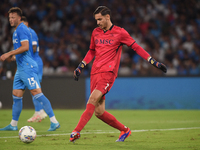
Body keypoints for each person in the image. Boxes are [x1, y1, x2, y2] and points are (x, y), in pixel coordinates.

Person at [70, 6, 167, 142]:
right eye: (96, 20)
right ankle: (125, 130)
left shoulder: (120, 33)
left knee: (91, 100)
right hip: (95, 73)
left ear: (108, 17)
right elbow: (92, 50)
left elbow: (136, 47)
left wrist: (153, 61)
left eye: (100, 19)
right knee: (99, 112)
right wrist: (81, 65)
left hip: (108, 73)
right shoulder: (95, 32)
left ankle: (76, 132)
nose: (97, 23)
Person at [0, 7, 60, 131]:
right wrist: (15, 57)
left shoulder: (22, 29)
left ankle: (54, 122)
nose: (10, 20)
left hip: (28, 67)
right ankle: (13, 124)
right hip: (21, 68)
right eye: (9, 17)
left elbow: (26, 47)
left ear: (19, 18)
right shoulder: (17, 30)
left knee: (37, 93)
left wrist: (9, 53)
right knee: (16, 95)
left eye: (13, 17)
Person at [21, 16, 47, 122]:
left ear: (27, 23)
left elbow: (34, 48)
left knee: (34, 88)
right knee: (33, 88)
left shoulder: (31, 33)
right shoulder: (25, 33)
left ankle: (40, 112)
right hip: (32, 62)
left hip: (34, 62)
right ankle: (39, 112)